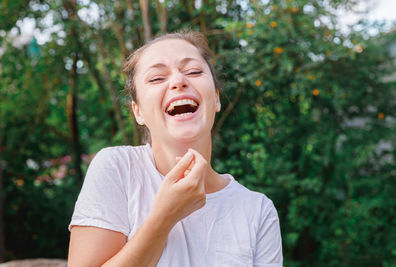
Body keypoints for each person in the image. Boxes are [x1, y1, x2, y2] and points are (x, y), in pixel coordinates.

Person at [68, 30, 283, 267]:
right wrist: (164, 217)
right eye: (157, 78)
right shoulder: (118, 169)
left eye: (193, 71)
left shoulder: (258, 211)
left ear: (217, 98)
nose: (179, 81)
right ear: (137, 111)